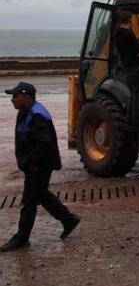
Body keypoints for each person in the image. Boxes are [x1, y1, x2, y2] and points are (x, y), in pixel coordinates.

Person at [1, 82, 80, 252]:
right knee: (40, 194)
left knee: (29, 201)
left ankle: (21, 237)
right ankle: (68, 219)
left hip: (39, 166)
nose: (12, 100)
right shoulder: (25, 111)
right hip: (35, 165)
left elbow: (44, 142)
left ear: (27, 97)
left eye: (15, 96)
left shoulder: (36, 114)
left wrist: (33, 163)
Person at [113, 10, 139, 126]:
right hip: (134, 67)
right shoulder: (127, 34)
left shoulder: (117, 34)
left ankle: (130, 119)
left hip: (126, 67)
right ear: (129, 20)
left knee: (133, 94)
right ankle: (136, 121)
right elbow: (138, 49)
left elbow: (130, 47)